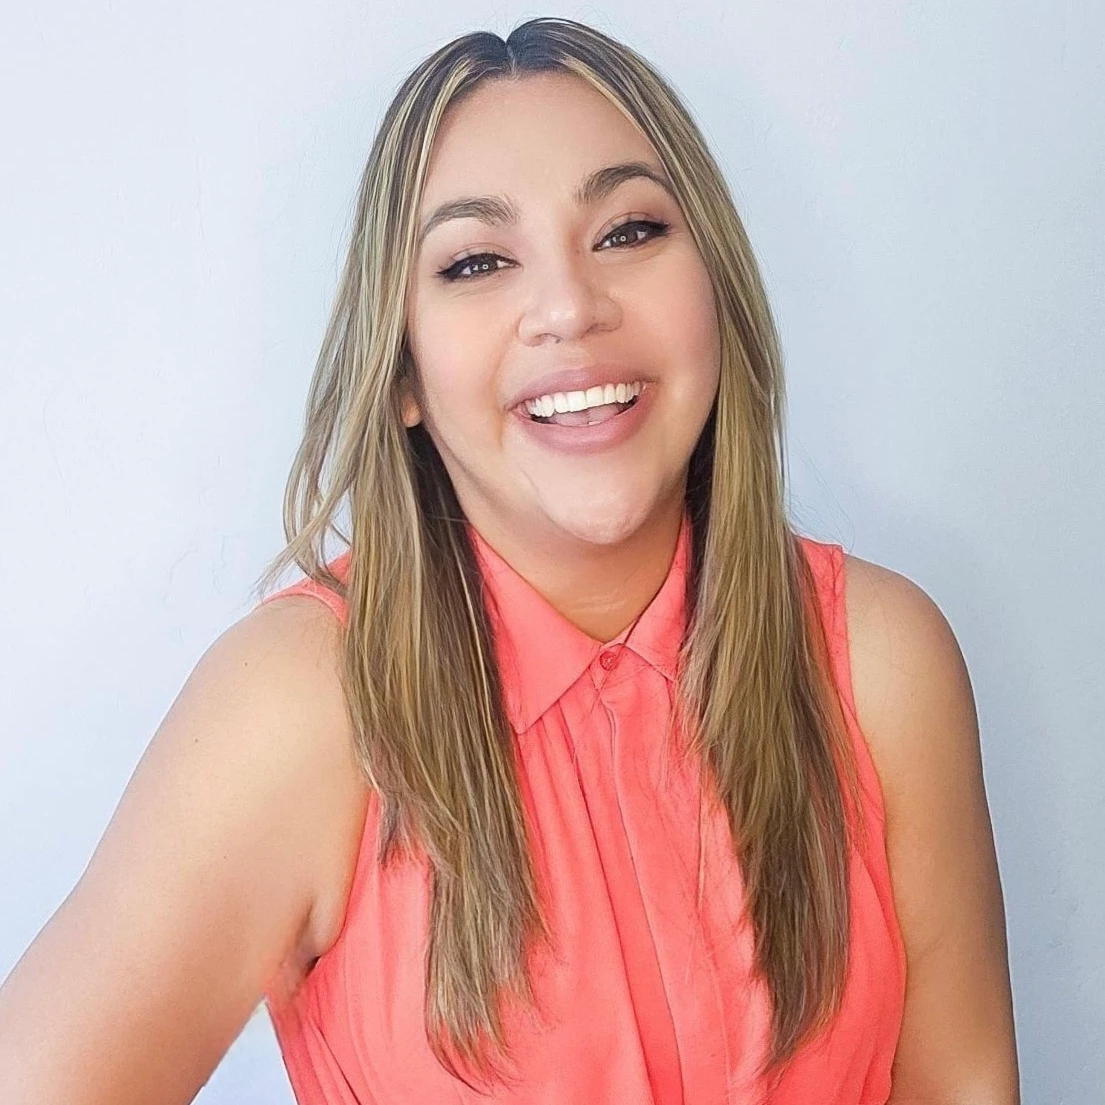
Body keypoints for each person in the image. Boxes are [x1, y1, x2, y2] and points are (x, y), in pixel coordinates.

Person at [0, 16, 1019, 1105]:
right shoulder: (301, 708)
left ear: (716, 293)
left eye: (628, 230)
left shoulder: (880, 661)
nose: (570, 307)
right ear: (401, 372)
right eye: (477, 261)